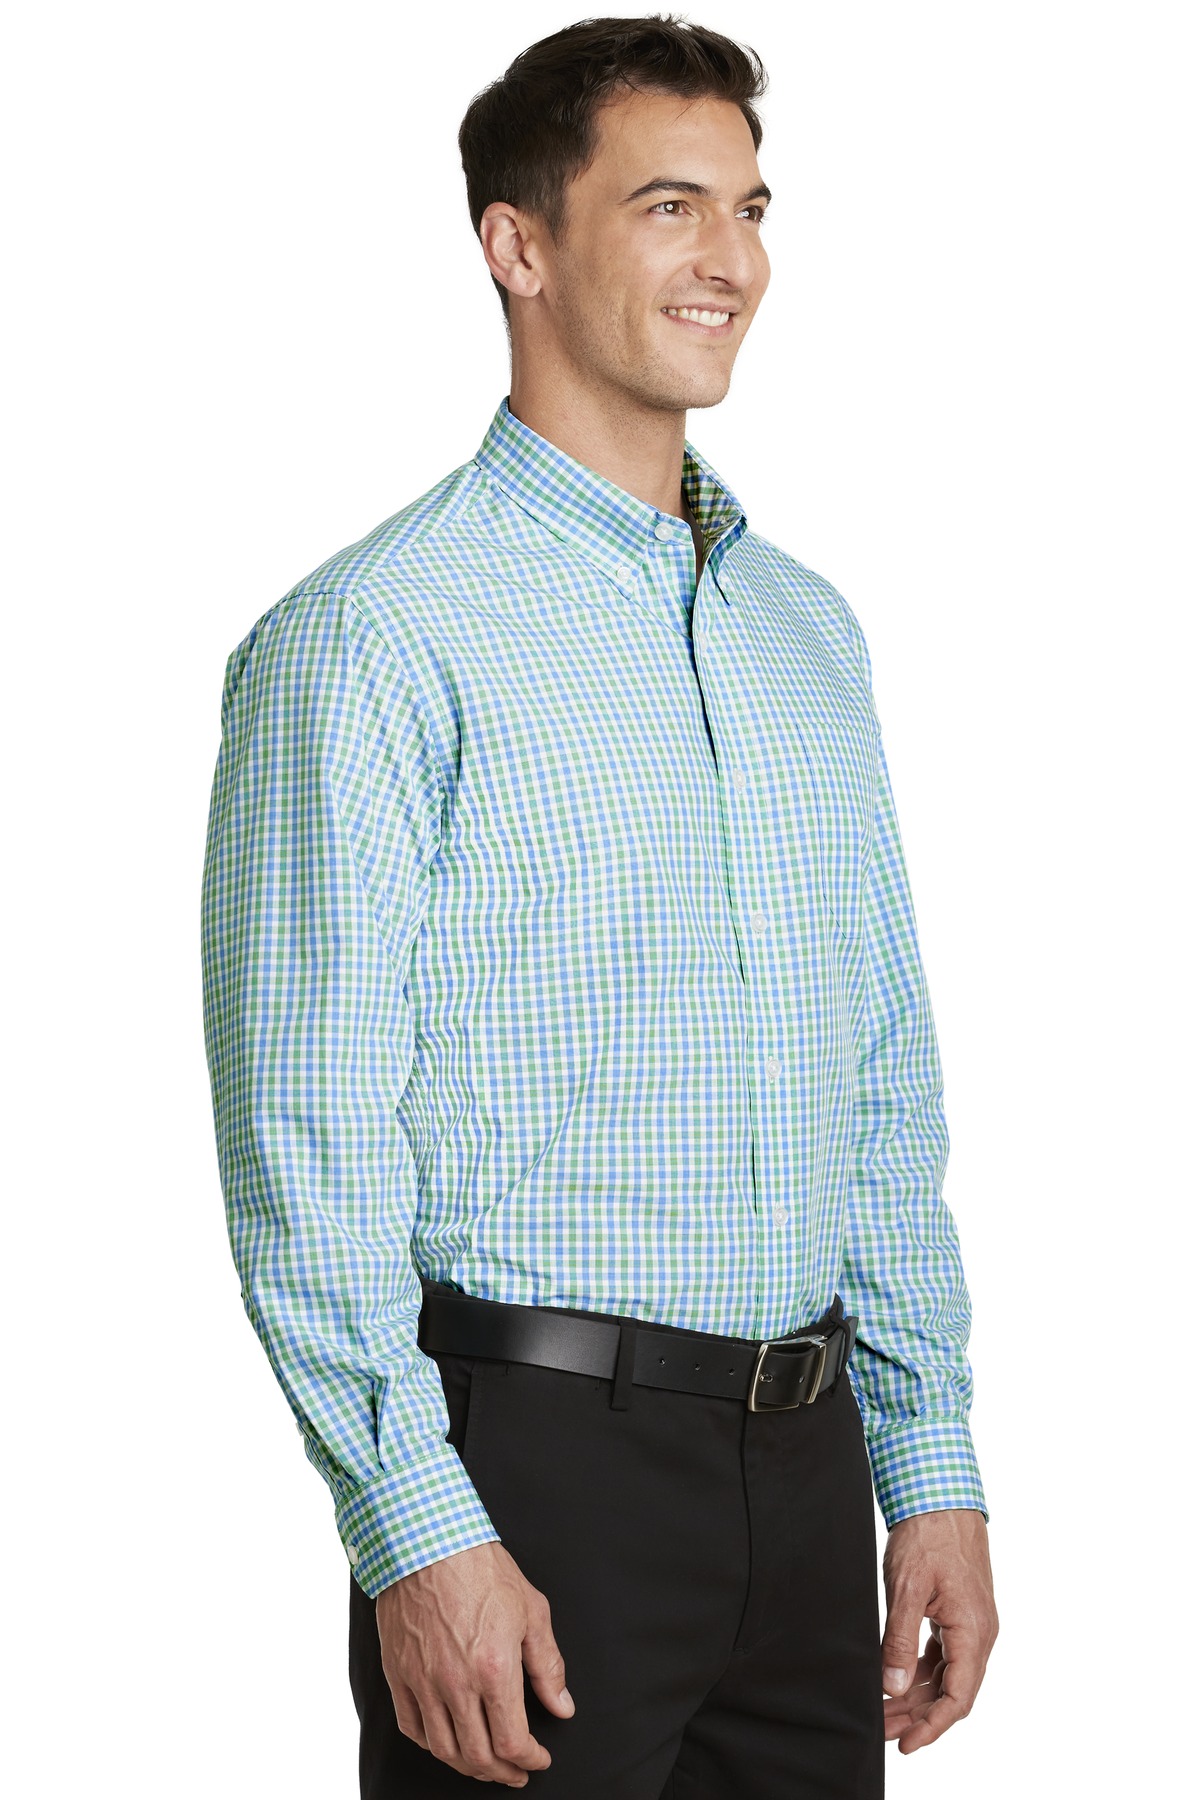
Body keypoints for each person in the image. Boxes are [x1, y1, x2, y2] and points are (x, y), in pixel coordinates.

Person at [201, 15, 998, 1797]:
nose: (733, 260)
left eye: (750, 207)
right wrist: (415, 1527)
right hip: (535, 1476)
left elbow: (881, 1079)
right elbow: (304, 1137)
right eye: (667, 206)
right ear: (519, 245)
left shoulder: (809, 632)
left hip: (809, 1474)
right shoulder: (369, 641)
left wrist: (928, 1462)